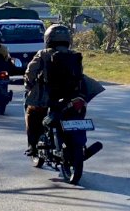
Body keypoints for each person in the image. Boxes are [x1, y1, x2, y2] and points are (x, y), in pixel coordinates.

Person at [23, 24, 85, 156]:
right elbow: (80, 75)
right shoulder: (74, 55)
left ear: (48, 39)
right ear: (68, 40)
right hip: (71, 96)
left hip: (47, 96)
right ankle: (80, 144)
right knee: (78, 112)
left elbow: (30, 72)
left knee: (32, 113)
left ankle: (32, 146)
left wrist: (29, 85)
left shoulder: (43, 54)